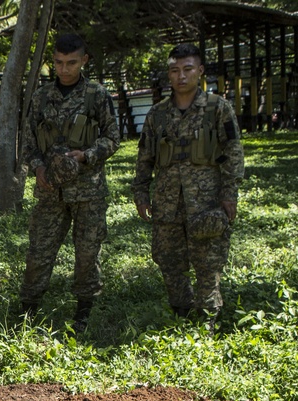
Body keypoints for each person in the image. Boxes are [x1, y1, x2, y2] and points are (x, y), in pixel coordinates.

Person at [132, 43, 245, 326]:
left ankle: (207, 319)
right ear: (169, 75)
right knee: (169, 261)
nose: (181, 76)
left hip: (206, 202)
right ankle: (181, 313)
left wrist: (229, 194)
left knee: (208, 263)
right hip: (168, 202)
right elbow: (145, 156)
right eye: (174, 70)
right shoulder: (157, 114)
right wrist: (141, 193)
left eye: (187, 69)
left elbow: (233, 153)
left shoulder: (218, 108)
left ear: (200, 71)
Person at [20, 33, 120, 333]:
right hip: (50, 190)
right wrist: (37, 168)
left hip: (88, 191)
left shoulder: (97, 95)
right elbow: (28, 144)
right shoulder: (40, 97)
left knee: (87, 253)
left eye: (72, 63)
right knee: (39, 251)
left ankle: (84, 310)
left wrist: (87, 155)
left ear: (84, 60)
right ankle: (28, 308)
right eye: (60, 63)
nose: (65, 69)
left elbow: (113, 138)